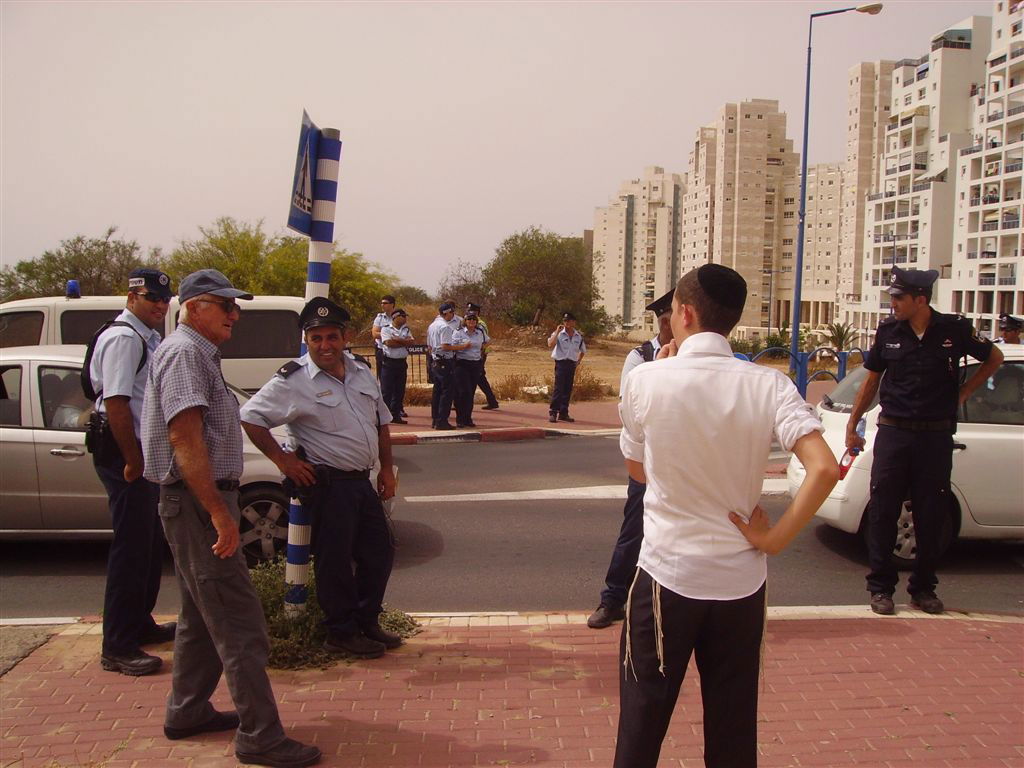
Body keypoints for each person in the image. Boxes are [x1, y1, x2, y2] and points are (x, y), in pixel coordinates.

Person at [615, 264, 838, 768]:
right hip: (740, 580)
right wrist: (774, 539)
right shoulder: (769, 385)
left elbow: (638, 471)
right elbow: (823, 468)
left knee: (642, 722)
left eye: (672, 310)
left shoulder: (645, 379)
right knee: (733, 726)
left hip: (666, 575)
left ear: (686, 313)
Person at [141, 269, 320, 768]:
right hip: (196, 503)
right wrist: (220, 513)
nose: (235, 316)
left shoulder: (195, 352)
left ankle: (187, 710)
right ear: (196, 306)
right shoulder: (183, 353)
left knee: (201, 617)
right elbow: (185, 440)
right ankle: (261, 736)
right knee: (242, 625)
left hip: (193, 502)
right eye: (226, 306)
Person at [240, 297, 399, 660]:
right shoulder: (293, 381)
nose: (325, 346)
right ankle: (340, 632)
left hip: (362, 480)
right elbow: (251, 417)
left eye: (331, 337)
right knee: (335, 560)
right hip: (329, 486)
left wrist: (386, 469)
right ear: (306, 340)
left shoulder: (360, 370)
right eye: (316, 338)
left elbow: (381, 423)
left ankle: (366, 621)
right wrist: (283, 461)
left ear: (344, 337)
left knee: (379, 552)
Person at [845, 266, 1002, 617]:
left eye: (899, 298)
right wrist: (853, 423)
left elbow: (994, 359)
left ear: (920, 299)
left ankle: (923, 588)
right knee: (884, 511)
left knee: (931, 515)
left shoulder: (955, 330)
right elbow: (872, 380)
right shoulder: (888, 332)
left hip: (934, 435)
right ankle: (881, 589)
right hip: (894, 433)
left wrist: (964, 393)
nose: (893, 305)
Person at [90, 268, 176, 676]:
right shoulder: (125, 338)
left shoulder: (146, 335)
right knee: (130, 548)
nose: (160, 306)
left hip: (141, 448)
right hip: (127, 450)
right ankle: (118, 645)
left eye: (164, 300)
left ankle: (140, 623)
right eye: (152, 299)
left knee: (147, 543)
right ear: (132, 296)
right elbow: (117, 403)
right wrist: (133, 459)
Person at [588, 288, 673, 630]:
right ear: (664, 321)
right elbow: (628, 411)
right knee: (634, 529)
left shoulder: (696, 358)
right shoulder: (641, 357)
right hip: (649, 460)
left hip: (686, 462)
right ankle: (612, 599)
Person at [451, 312, 489, 428]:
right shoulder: (459, 332)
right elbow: (452, 346)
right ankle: (460, 418)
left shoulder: (480, 332)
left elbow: (486, 341)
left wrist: (482, 349)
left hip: (475, 363)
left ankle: (468, 418)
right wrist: (463, 346)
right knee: (463, 391)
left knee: (470, 392)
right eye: (469, 319)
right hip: (462, 363)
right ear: (465, 321)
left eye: (474, 319)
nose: (472, 321)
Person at [547, 312, 586, 423]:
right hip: (561, 363)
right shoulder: (559, 334)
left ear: (574, 322)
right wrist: (557, 331)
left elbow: (582, 350)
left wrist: (578, 361)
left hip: (571, 364)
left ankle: (564, 412)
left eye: (569, 321)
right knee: (559, 388)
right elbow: (550, 344)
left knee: (567, 389)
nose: (567, 323)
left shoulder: (578, 336)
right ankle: (553, 412)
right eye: (565, 321)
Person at [379, 308, 415, 424]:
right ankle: (384, 417)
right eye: (403, 316)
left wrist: (398, 339)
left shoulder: (406, 329)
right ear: (396, 317)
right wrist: (404, 341)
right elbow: (389, 343)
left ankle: (396, 415)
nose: (405, 319)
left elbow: (412, 342)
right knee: (387, 391)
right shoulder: (386, 329)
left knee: (399, 391)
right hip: (389, 363)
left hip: (401, 363)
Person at [427, 302, 459, 430]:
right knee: (447, 392)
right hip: (445, 361)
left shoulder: (432, 326)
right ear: (447, 313)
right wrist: (462, 347)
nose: (453, 316)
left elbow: (429, 346)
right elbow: (446, 346)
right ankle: (442, 420)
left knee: (437, 391)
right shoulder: (445, 327)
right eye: (452, 313)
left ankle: (435, 419)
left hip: (435, 361)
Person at [467, 302, 500, 410]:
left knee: (477, 377)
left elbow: (484, 341)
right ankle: (492, 400)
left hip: (479, 354)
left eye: (472, 312)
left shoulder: (480, 324)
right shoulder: (471, 321)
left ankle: (466, 403)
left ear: (477, 312)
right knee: (479, 378)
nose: (470, 314)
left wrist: (480, 354)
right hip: (476, 354)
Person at [371, 295, 395, 380]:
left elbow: (403, 334)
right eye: (381, 303)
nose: (382, 305)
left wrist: (384, 334)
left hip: (395, 351)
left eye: (385, 303)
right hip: (382, 351)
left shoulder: (398, 317)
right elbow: (375, 334)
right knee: (383, 379)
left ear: (392, 304)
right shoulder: (379, 318)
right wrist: (391, 335)